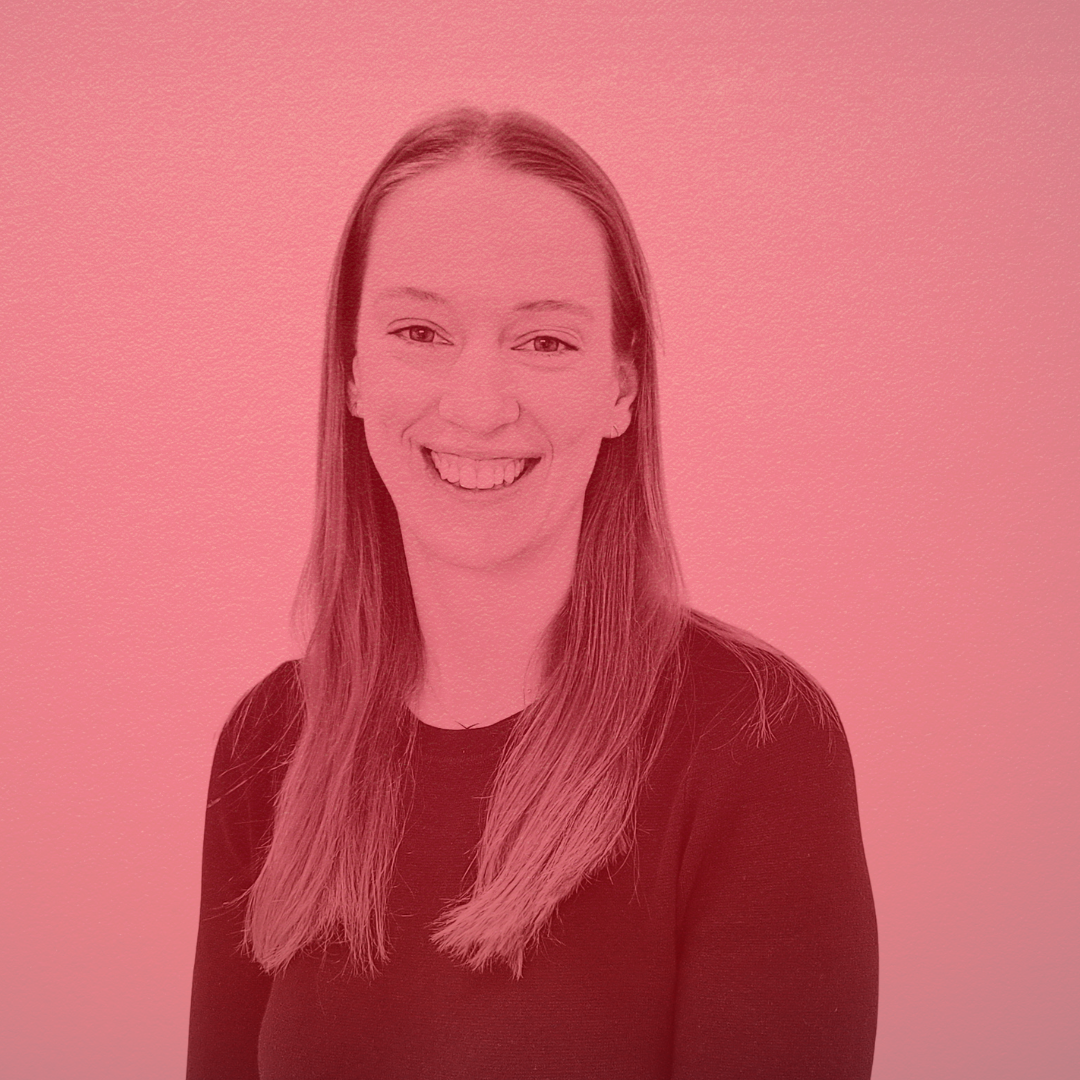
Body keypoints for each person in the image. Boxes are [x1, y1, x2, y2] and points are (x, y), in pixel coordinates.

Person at [187, 105, 877, 1079]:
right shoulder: (268, 742)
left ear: (622, 386)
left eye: (545, 341)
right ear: (353, 369)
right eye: (420, 330)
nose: (478, 405)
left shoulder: (758, 738)